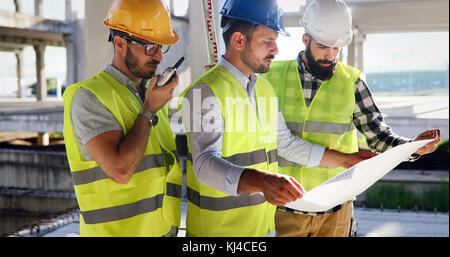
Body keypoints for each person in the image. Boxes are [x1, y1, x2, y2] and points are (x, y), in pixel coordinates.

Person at [178, 0, 376, 237]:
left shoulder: (264, 90)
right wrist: (263, 181)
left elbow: (287, 144)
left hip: (262, 229)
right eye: (267, 41)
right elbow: (204, 165)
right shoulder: (205, 92)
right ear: (239, 40)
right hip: (218, 234)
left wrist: (345, 160)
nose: (276, 50)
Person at [262, 0, 441, 237]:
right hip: (285, 207)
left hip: (336, 212)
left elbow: (379, 137)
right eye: (324, 47)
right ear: (305, 39)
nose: (331, 56)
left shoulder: (352, 83)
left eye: (337, 48)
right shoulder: (269, 77)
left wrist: (414, 147)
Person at [62, 0, 182, 236]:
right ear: (120, 43)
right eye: (150, 47)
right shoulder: (90, 96)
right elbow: (120, 171)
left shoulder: (151, 95)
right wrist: (148, 111)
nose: (158, 56)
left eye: (161, 47)